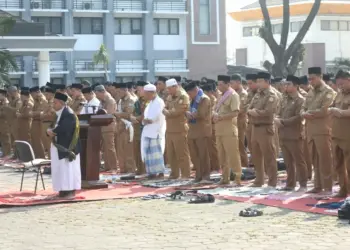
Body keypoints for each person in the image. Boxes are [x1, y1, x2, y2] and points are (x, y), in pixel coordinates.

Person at [301, 67, 337, 195]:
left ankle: (327, 186)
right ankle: (317, 185)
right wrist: (304, 113)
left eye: (313, 78)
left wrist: (308, 113)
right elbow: (303, 107)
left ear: (320, 77)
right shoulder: (311, 92)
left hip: (323, 129)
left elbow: (325, 110)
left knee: (325, 158)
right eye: (309, 79)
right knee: (314, 158)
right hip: (310, 129)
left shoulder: (329, 92)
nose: (311, 81)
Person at [275, 75, 308, 191]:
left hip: (294, 134)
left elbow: (298, 117)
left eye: (289, 84)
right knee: (288, 161)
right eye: (286, 84)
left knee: (299, 161)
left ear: (296, 86)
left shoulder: (301, 100)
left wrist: (282, 122)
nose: (286, 86)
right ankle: (290, 184)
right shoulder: (284, 99)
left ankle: (303, 184)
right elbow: (278, 112)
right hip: (283, 134)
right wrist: (277, 118)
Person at [47, 92, 81, 199]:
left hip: (67, 148)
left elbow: (64, 128)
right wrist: (49, 131)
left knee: (67, 170)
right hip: (59, 147)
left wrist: (52, 131)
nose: (53, 105)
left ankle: (69, 191)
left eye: (55, 103)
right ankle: (62, 190)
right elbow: (53, 126)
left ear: (62, 103)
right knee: (60, 169)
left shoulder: (69, 114)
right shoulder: (59, 113)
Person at [248, 72, 279, 187]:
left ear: (267, 82)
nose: (258, 84)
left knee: (269, 156)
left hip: (265, 128)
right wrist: (251, 112)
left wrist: (256, 113)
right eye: (258, 81)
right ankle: (259, 180)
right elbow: (250, 107)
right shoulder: (258, 94)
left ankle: (272, 181)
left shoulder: (271, 95)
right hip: (255, 127)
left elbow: (269, 111)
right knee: (256, 156)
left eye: (260, 81)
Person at [214, 75, 241, 185]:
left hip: (229, 129)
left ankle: (237, 178)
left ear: (227, 84)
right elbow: (215, 109)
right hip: (219, 129)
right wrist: (214, 115)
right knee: (222, 156)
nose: (219, 86)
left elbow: (235, 112)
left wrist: (221, 117)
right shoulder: (220, 96)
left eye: (221, 84)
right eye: (218, 84)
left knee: (233, 155)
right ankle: (225, 178)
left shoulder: (233, 95)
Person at [163, 78, 191, 179]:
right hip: (170, 129)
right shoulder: (170, 96)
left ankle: (185, 174)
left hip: (180, 129)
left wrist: (169, 112)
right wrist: (169, 111)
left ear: (175, 86)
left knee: (182, 153)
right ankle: (174, 174)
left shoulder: (183, 96)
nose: (168, 91)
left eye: (169, 88)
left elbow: (179, 111)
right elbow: (164, 107)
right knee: (171, 154)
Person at [185, 81, 212, 183]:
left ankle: (206, 176)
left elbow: (202, 114)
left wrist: (191, 114)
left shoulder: (204, 99)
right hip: (193, 130)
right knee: (195, 155)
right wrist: (187, 114)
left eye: (190, 93)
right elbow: (191, 111)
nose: (189, 95)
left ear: (195, 90)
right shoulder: (192, 99)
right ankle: (198, 175)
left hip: (202, 130)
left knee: (203, 154)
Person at [329, 70, 350, 197]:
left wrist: (339, 112)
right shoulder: (339, 94)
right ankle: (343, 190)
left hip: (348, 135)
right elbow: (331, 106)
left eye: (342, 84)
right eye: (338, 84)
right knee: (338, 164)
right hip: (336, 134)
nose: (340, 86)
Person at [141, 83, 166, 178]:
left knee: (156, 153)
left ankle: (160, 172)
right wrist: (145, 120)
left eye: (146, 94)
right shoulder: (150, 103)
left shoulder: (159, 102)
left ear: (152, 93)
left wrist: (149, 120)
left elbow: (158, 115)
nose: (145, 96)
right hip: (148, 130)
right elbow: (146, 115)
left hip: (156, 130)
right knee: (148, 153)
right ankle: (151, 172)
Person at [95, 85, 118, 172]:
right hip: (103, 126)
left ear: (102, 92)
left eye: (97, 94)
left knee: (110, 147)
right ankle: (107, 166)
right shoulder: (102, 101)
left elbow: (109, 114)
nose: (96, 96)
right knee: (105, 148)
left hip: (109, 126)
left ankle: (113, 167)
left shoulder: (110, 101)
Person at [114, 83, 136, 174]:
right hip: (120, 127)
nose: (118, 94)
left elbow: (129, 114)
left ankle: (130, 170)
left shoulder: (131, 100)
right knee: (121, 150)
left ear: (125, 90)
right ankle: (123, 169)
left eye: (119, 92)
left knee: (128, 151)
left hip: (128, 127)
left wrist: (118, 114)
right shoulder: (121, 100)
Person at [230, 74, 249, 168]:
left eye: (232, 83)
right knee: (234, 146)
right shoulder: (233, 93)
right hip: (233, 123)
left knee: (240, 145)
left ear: (238, 82)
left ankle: (245, 166)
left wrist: (228, 112)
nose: (231, 85)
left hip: (240, 122)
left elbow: (241, 109)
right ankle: (237, 166)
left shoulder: (243, 94)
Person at [30, 86, 48, 158]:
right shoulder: (36, 100)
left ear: (37, 92)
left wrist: (31, 113)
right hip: (35, 122)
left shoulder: (42, 100)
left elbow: (41, 112)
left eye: (32, 94)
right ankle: (37, 155)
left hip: (40, 122)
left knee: (39, 141)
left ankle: (41, 156)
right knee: (35, 140)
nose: (31, 96)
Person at [0, 89, 11, 157]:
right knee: (2, 140)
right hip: (1, 124)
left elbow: (6, 113)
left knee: (6, 140)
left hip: (5, 124)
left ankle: (7, 154)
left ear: (3, 95)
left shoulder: (6, 102)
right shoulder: (1, 102)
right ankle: (4, 153)